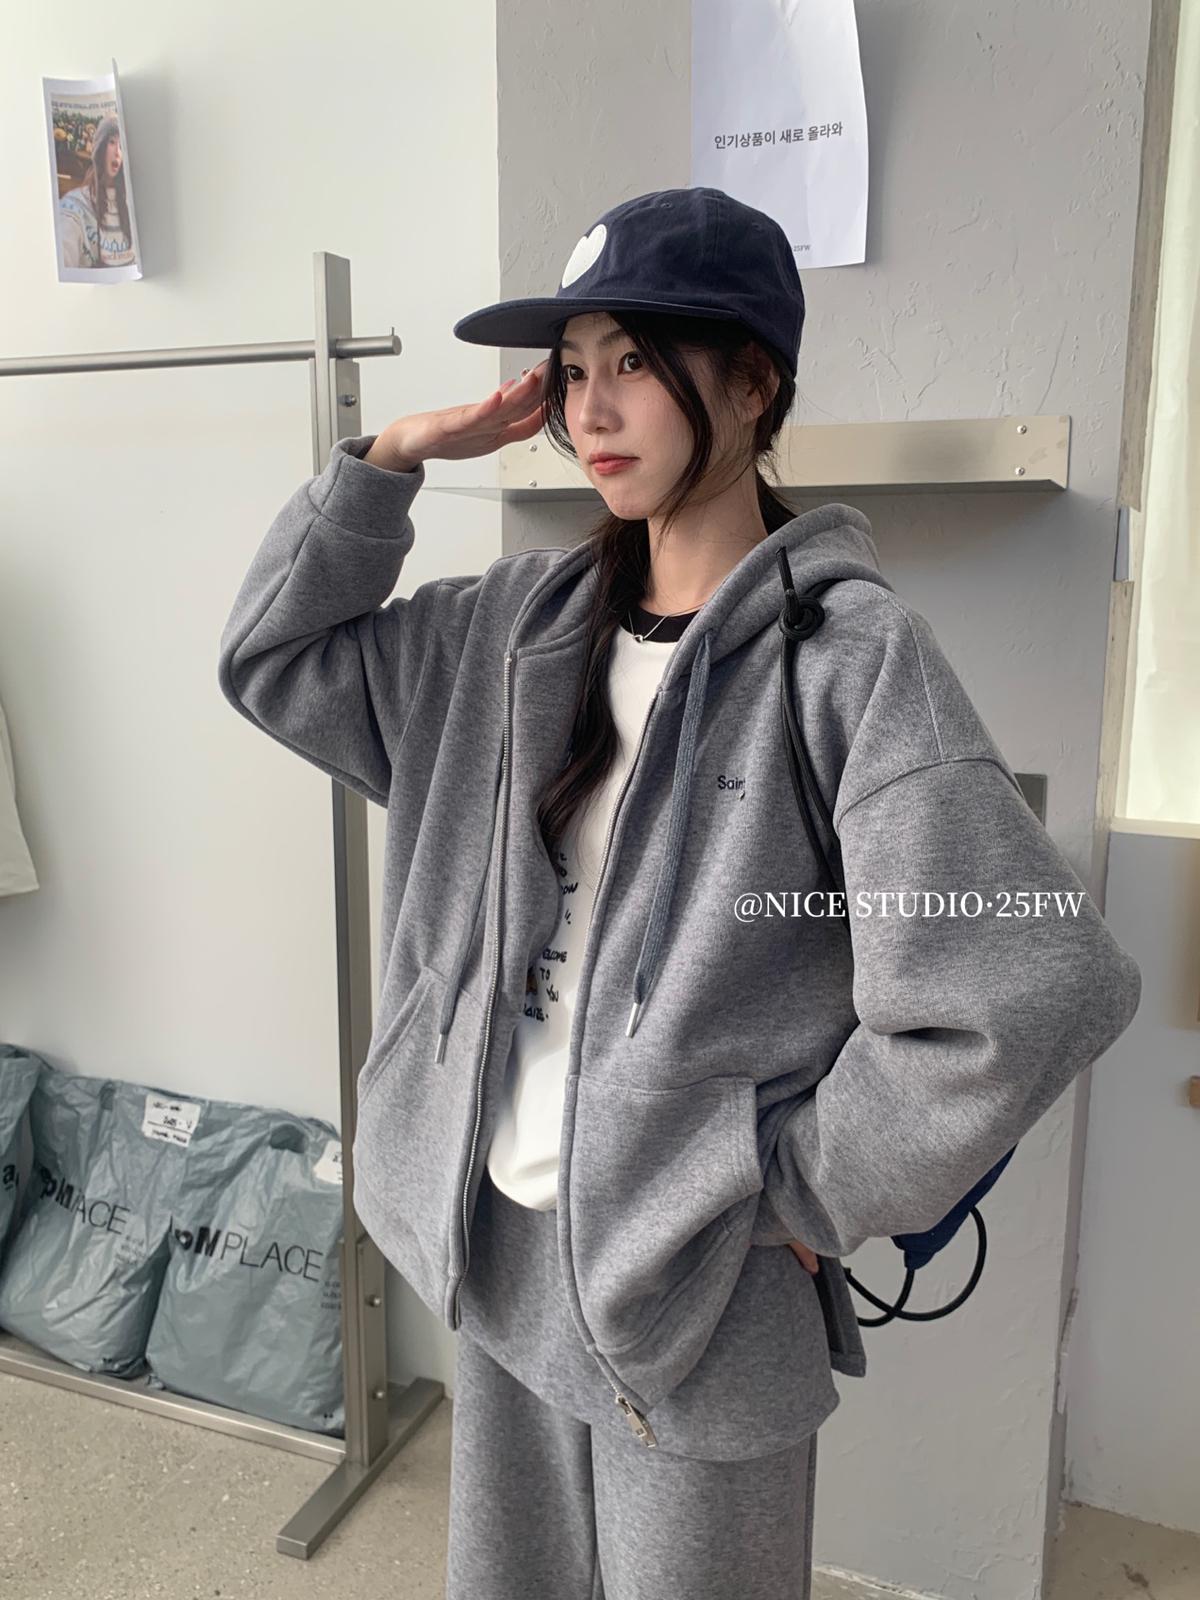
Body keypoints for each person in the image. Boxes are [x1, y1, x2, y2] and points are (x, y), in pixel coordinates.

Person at [217, 187, 1141, 1599]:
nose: (590, 408)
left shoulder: (847, 661)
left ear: (753, 382)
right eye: (573, 367)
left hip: (700, 1287)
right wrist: (388, 465)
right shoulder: (512, 631)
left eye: (636, 362)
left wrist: (798, 1186)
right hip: (501, 1246)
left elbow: (1026, 986)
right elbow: (274, 660)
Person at [58, 114, 135, 270]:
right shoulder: (74, 206)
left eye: (122, 146)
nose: (118, 152)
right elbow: (64, 248)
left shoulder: (131, 203)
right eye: (112, 142)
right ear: (100, 147)